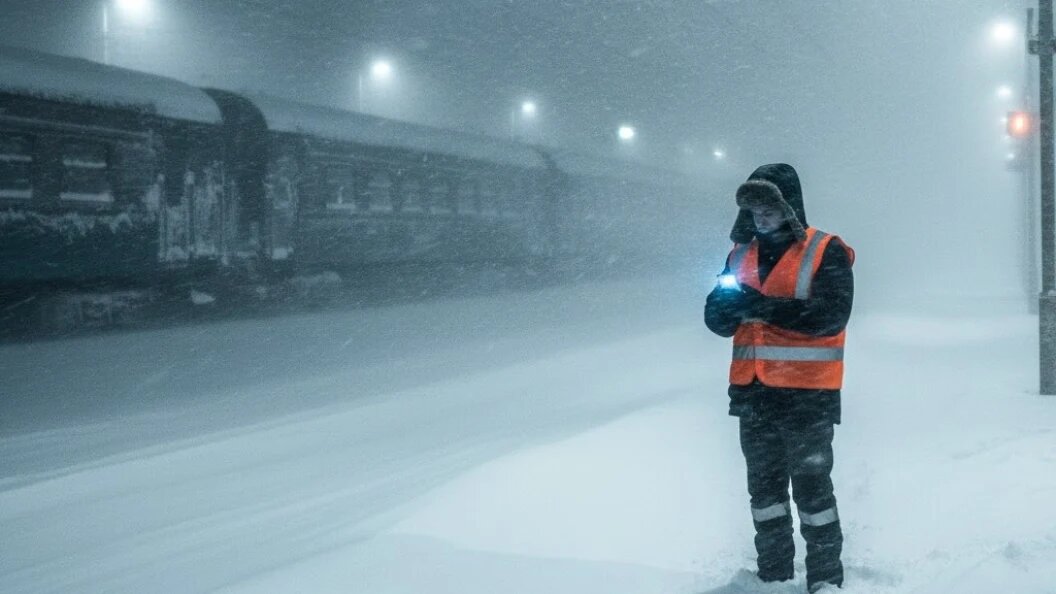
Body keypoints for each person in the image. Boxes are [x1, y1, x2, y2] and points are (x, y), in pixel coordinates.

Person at [705, 163, 854, 593]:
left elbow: (830, 316)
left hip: (808, 396)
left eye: (768, 208)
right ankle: (773, 576)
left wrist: (759, 306)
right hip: (754, 396)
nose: (760, 218)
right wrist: (725, 310)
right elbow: (716, 319)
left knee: (812, 494)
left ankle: (825, 580)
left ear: (789, 207)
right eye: (753, 210)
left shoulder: (825, 251)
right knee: (765, 495)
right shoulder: (739, 255)